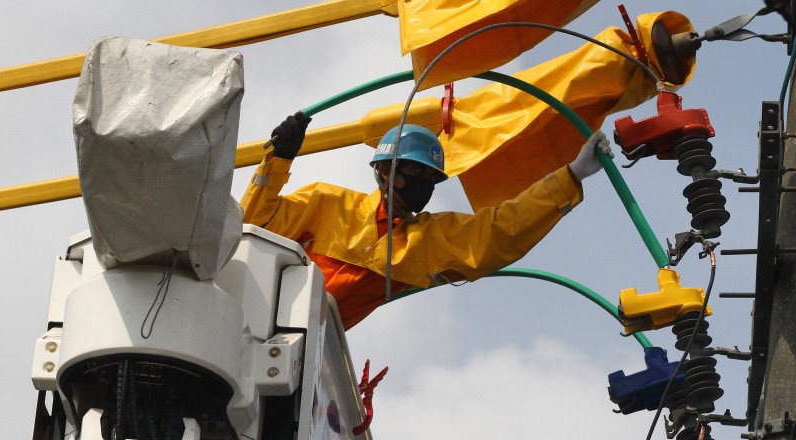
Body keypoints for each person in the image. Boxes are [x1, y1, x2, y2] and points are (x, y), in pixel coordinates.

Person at [240, 112, 612, 330]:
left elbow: (499, 231)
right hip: (247, 318)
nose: (423, 184)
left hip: (304, 351)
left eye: (430, 178)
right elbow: (251, 226)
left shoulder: (426, 242)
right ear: (385, 171)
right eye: (415, 172)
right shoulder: (327, 204)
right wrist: (278, 160)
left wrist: (572, 175)